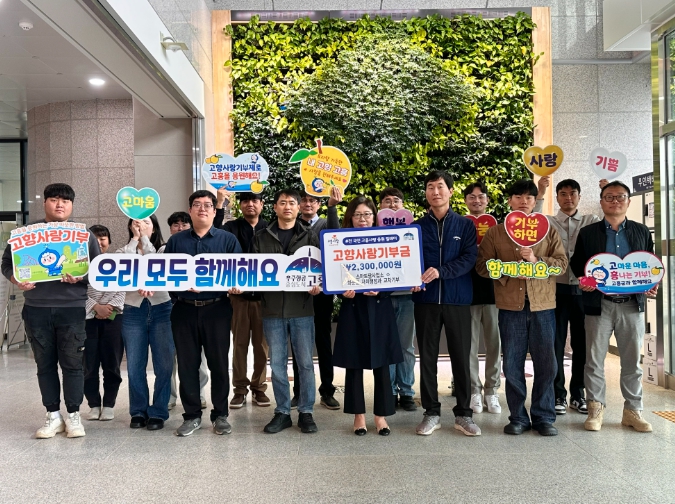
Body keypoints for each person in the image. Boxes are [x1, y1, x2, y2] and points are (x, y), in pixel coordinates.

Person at [1, 183, 100, 438]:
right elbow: (6, 263)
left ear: (72, 205)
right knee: (44, 365)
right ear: (44, 202)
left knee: (73, 364)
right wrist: (15, 279)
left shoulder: (84, 235)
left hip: (72, 309)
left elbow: (98, 271)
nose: (59, 204)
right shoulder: (25, 234)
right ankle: (53, 415)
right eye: (54, 199)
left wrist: (80, 278)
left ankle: (74, 416)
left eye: (65, 201)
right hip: (36, 308)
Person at [476, 179, 568, 436]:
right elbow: (482, 266)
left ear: (534, 200)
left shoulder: (548, 229)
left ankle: (544, 416)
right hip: (510, 306)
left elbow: (562, 264)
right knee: (512, 364)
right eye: (518, 196)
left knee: (547, 364)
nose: (524, 201)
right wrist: (508, 271)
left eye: (529, 197)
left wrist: (537, 260)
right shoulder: (496, 232)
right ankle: (517, 417)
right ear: (509, 200)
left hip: (543, 306)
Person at [570, 181, 657, 433]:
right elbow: (578, 263)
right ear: (601, 202)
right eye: (609, 197)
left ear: (629, 201)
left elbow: (650, 264)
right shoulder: (588, 233)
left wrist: (651, 284)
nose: (615, 201)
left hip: (632, 304)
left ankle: (633, 411)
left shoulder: (641, 231)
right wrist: (585, 281)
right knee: (594, 360)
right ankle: (595, 409)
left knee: (632, 362)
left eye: (620, 196)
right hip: (599, 304)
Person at [165, 190, 242, 437]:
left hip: (217, 309)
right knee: (187, 365)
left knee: (219, 364)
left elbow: (240, 272)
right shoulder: (176, 242)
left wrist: (237, 285)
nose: (202, 209)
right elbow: (166, 275)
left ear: (213, 209)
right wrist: (180, 286)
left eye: (207, 205)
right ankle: (191, 416)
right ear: (190, 210)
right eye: (197, 205)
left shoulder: (227, 239)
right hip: (184, 310)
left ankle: (220, 415)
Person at [412, 171, 481, 437]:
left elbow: (469, 258)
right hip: (425, 300)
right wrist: (411, 278)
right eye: (430, 187)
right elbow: (409, 260)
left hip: (457, 300)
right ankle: (431, 412)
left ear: (450, 192)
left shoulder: (465, 226)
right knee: (427, 358)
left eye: (440, 187)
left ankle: (464, 414)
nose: (435, 192)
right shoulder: (417, 228)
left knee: (461, 358)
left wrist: (441, 271)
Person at [333, 196, 404, 436]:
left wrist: (381, 290)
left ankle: (381, 416)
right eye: (357, 214)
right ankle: (358, 416)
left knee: (381, 362)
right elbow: (334, 273)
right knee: (354, 362)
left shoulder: (386, 240)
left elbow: (396, 272)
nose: (362, 219)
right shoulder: (341, 241)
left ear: (375, 216)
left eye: (367, 214)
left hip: (379, 307)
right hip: (353, 307)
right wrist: (342, 291)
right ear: (350, 218)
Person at [253, 189, 321, 434]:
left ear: (299, 207)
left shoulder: (310, 236)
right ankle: (282, 412)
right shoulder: (261, 237)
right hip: (272, 310)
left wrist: (318, 285)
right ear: (275, 207)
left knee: (305, 364)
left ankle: (306, 411)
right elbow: (253, 271)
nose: (288, 207)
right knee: (277, 365)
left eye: (292, 203)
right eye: (282, 203)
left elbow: (319, 268)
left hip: (302, 309)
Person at [533, 177, 601, 416]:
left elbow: (608, 222)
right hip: (557, 290)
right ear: (557, 197)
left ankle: (578, 393)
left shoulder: (591, 220)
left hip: (585, 291)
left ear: (579, 197)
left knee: (582, 344)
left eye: (573, 193)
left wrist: (605, 190)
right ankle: (558, 394)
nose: (568, 198)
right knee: (556, 344)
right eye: (563, 194)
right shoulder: (549, 222)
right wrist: (540, 192)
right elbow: (533, 221)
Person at [118, 215, 174, 431]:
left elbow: (155, 265)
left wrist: (144, 240)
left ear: (155, 228)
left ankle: (159, 411)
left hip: (162, 309)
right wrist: (135, 240)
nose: (141, 225)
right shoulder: (124, 251)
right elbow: (124, 266)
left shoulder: (164, 250)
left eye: (146, 223)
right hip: (133, 309)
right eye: (136, 222)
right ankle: (138, 411)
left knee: (164, 364)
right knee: (134, 365)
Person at [215, 192, 271, 409]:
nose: (250, 204)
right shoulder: (231, 228)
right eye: (245, 201)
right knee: (239, 345)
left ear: (262, 204)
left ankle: (259, 388)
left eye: (254, 200)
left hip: (265, 299)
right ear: (240, 205)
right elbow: (215, 235)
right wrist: (220, 204)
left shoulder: (270, 227)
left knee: (261, 346)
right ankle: (239, 389)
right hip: (238, 298)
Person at [290, 188, 341, 410]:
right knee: (298, 344)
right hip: (298, 295)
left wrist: (332, 207)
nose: (308, 204)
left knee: (323, 342)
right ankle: (299, 392)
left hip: (321, 294)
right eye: (304, 200)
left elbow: (335, 238)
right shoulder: (291, 225)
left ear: (319, 204)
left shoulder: (326, 224)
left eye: (312, 200)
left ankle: (327, 390)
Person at [463, 181, 502, 415]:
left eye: (481, 197)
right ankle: (474, 390)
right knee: (469, 345)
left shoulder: (500, 227)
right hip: (467, 293)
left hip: (494, 292)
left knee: (495, 344)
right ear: (465, 201)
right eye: (472, 197)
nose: (476, 200)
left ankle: (492, 390)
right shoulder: (460, 224)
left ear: (487, 200)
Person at [379, 187, 417, 412]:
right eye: (387, 201)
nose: (392, 204)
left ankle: (407, 391)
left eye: (396, 201)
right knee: (387, 345)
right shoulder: (373, 232)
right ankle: (390, 390)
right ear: (380, 206)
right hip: (383, 297)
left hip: (407, 297)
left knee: (406, 346)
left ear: (403, 205)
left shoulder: (413, 231)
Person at [166, 211, 209, 411]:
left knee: (198, 358)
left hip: (196, 307)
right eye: (176, 224)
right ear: (170, 229)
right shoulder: (166, 249)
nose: (180, 228)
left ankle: (199, 393)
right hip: (171, 308)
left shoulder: (197, 249)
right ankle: (171, 396)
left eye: (184, 224)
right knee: (173, 357)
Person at [83, 225, 125, 422]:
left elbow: (122, 287)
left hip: (113, 318)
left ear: (109, 241)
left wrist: (107, 308)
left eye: (103, 238)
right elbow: (77, 291)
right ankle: (93, 405)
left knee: (112, 363)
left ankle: (109, 404)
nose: (99, 242)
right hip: (87, 320)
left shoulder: (117, 262)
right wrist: (95, 307)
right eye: (95, 238)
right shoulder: (79, 264)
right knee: (88, 365)